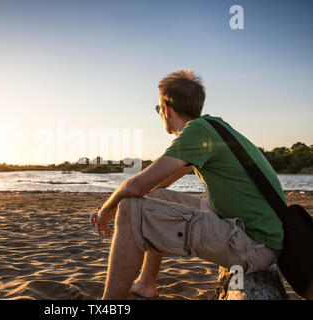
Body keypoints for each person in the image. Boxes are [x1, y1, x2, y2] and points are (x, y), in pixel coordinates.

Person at [90, 69, 284, 300]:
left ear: (167, 109)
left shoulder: (197, 131)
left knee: (128, 208)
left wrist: (106, 211)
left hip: (255, 245)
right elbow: (156, 184)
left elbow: (134, 186)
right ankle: (145, 284)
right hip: (254, 232)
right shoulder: (212, 127)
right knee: (157, 196)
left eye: (158, 109)